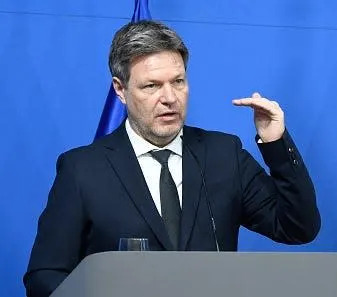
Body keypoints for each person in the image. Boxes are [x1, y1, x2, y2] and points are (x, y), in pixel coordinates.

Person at [24, 20, 320, 297]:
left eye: (178, 81)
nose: (169, 98)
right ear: (120, 89)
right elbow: (44, 275)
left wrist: (275, 142)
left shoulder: (222, 154)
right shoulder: (82, 170)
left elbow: (297, 227)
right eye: (151, 86)